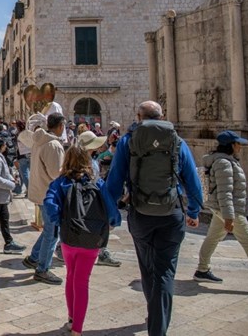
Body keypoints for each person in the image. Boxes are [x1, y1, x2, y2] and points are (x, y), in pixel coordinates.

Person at [105, 101, 203, 336]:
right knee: (165, 271)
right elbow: (193, 180)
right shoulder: (176, 140)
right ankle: (158, 326)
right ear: (162, 116)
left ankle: (155, 320)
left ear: (139, 116)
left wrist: (111, 214)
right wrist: (193, 212)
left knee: (148, 269)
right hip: (172, 214)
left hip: (140, 215)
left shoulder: (128, 141)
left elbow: (114, 182)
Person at [44, 146, 121, 336]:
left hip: (70, 237)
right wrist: (113, 222)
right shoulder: (98, 183)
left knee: (71, 276)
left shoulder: (61, 183)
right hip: (92, 238)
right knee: (82, 281)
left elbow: (49, 202)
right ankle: (77, 328)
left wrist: (58, 220)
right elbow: (111, 208)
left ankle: (72, 319)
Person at [193, 131, 248, 293]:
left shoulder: (223, 161)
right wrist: (229, 217)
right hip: (230, 211)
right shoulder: (223, 163)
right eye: (238, 144)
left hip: (221, 209)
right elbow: (225, 192)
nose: (240, 147)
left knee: (213, 237)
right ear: (231, 145)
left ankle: (202, 269)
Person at [23, 113, 66, 285]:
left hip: (41, 191)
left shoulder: (39, 141)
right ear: (61, 126)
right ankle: (42, 269)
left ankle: (34, 257)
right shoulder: (53, 145)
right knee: (52, 232)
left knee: (50, 229)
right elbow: (56, 173)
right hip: (50, 194)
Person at [76, 131, 121, 267]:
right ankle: (100, 252)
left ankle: (100, 251)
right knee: (100, 224)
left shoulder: (89, 159)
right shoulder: (83, 162)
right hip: (90, 199)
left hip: (93, 197)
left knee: (101, 224)